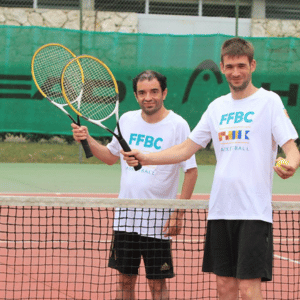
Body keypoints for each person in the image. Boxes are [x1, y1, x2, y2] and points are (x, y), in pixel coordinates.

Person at [122, 38, 300, 300]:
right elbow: (186, 149)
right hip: (219, 211)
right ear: (221, 67)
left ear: (252, 65)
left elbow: (291, 148)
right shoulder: (217, 107)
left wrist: (291, 164)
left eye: (241, 65)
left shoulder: (269, 102)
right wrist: (145, 158)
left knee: (249, 289)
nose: (235, 72)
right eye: (229, 66)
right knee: (224, 289)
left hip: (253, 213)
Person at [71, 70, 198, 300]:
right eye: (142, 92)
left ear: (165, 93)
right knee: (124, 281)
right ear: (136, 95)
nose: (148, 97)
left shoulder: (178, 125)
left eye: (154, 91)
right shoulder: (127, 120)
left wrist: (179, 213)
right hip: (125, 217)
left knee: (157, 285)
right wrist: (87, 139)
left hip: (157, 221)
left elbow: (191, 170)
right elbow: (110, 157)